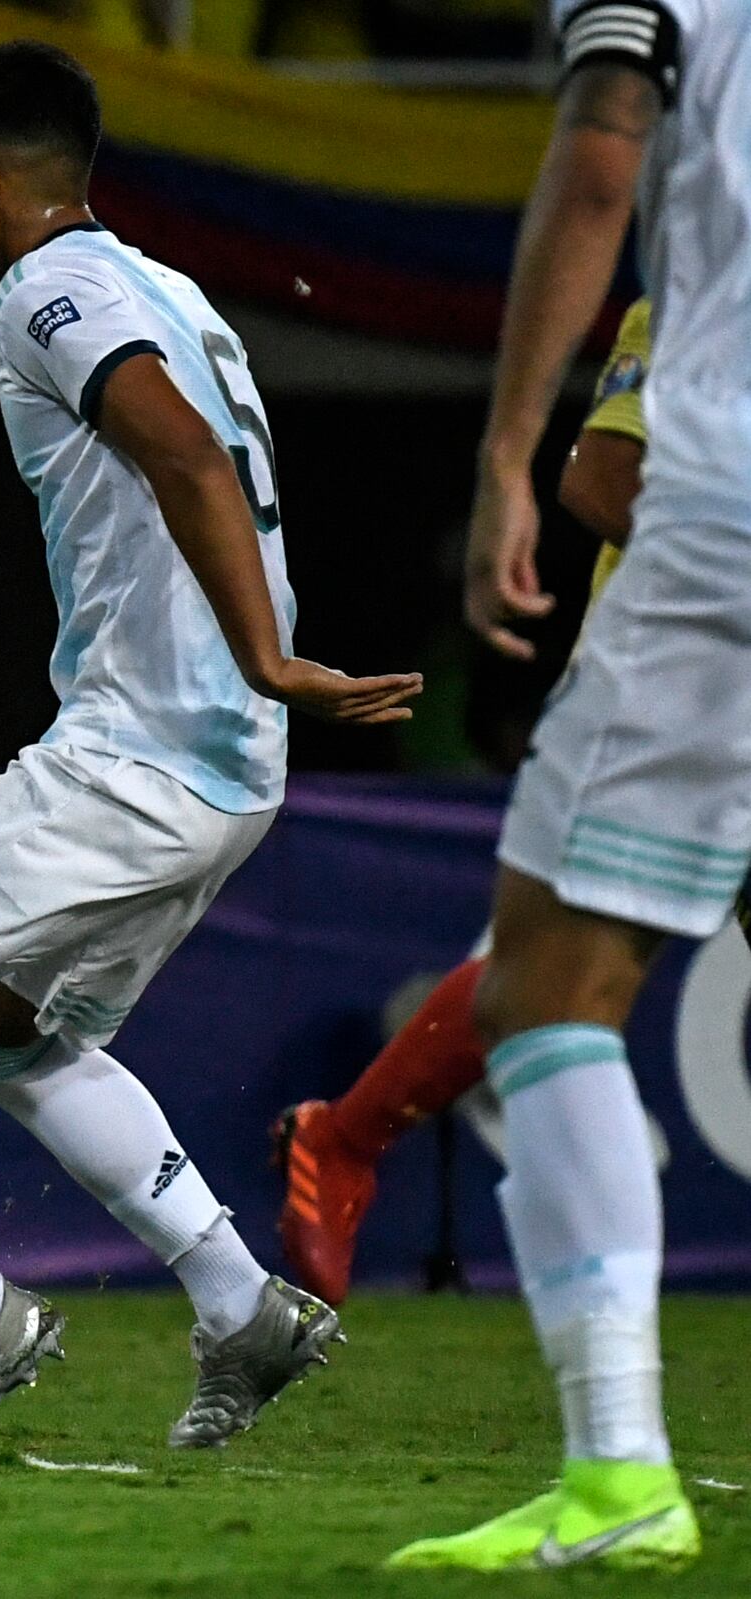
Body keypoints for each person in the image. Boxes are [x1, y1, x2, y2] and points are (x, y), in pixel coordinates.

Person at [0, 42, 420, 1454]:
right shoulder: (168, 285)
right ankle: (244, 1307)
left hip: (145, 746)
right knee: (4, 1029)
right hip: (223, 766)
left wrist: (260, 653)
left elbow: (178, 451)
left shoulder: (43, 288)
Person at [388, 0, 748, 1571]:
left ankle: (617, 1472)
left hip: (728, 497)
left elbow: (599, 160)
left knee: (546, 981)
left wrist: (503, 455)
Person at [272, 299, 655, 1309]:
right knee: (549, 978)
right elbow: (601, 478)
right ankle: (343, 1141)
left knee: (548, 978)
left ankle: (343, 1139)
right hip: (663, 690)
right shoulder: (705, 294)